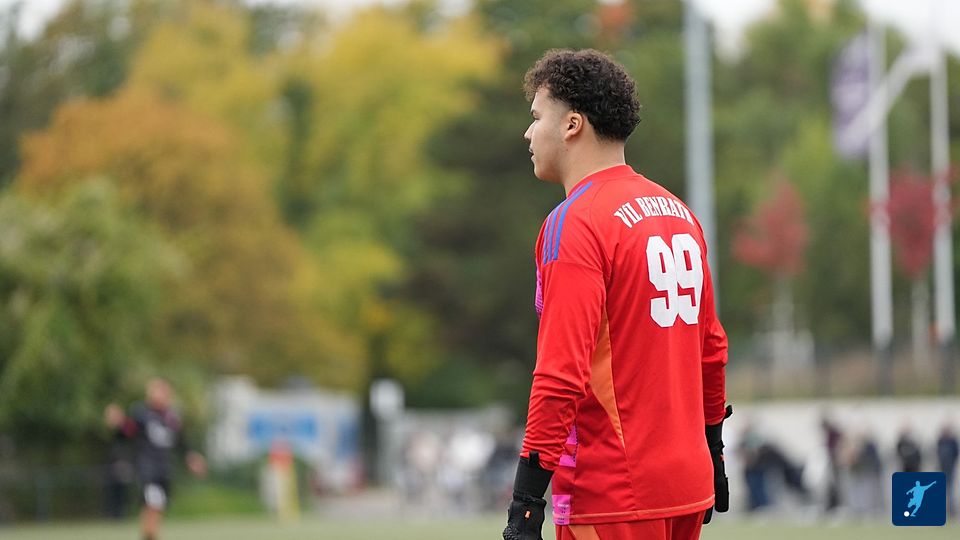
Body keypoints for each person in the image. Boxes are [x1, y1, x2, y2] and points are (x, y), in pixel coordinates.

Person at [502, 49, 730, 540]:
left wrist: (526, 497)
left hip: (612, 490)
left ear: (572, 125)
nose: (528, 133)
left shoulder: (576, 221)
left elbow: (561, 373)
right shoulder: (680, 213)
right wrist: (714, 449)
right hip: (687, 485)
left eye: (537, 117)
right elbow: (711, 349)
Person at [105, 378, 206, 540]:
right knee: (152, 503)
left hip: (165, 468)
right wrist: (119, 423)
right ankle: (151, 535)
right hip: (147, 467)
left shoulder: (172, 416)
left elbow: (181, 442)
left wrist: (192, 458)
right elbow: (127, 432)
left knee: (159, 506)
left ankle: (149, 535)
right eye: (154, 391)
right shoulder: (141, 413)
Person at [936, 423, 958, 516]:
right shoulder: (940, 440)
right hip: (942, 467)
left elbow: (956, 453)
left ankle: (951, 510)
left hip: (950, 468)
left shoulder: (952, 441)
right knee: (941, 490)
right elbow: (937, 452)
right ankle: (941, 509)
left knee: (951, 489)